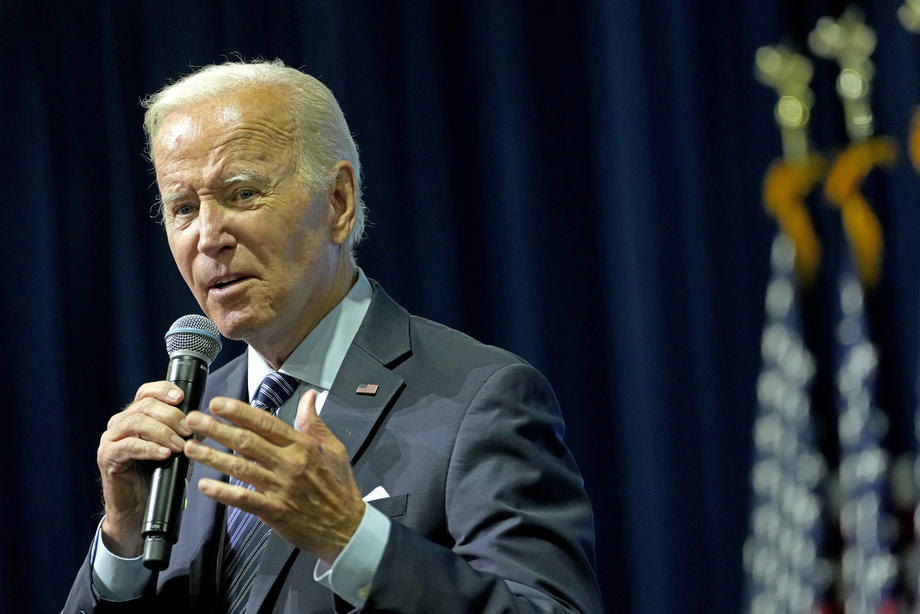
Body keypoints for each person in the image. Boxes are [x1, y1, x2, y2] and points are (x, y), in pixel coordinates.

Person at [63, 59, 601, 614]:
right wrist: (121, 547)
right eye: (183, 208)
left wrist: (351, 536)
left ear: (338, 203)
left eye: (242, 193)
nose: (208, 237)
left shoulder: (481, 399)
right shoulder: (184, 429)